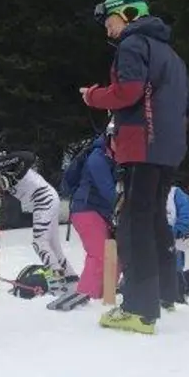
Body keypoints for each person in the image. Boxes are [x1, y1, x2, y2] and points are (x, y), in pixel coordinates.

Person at [81, 0, 189, 334]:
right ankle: (165, 293)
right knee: (155, 216)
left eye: (109, 21)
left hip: (142, 144)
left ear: (128, 14)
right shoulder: (172, 55)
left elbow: (127, 92)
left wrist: (93, 96)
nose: (107, 29)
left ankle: (139, 309)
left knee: (134, 223)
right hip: (169, 148)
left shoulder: (133, 44)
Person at [0, 149, 73, 287]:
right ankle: (71, 277)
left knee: (39, 243)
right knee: (52, 245)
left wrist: (16, 175)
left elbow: (29, 157)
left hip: (43, 198)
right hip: (44, 199)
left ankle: (56, 279)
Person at [62, 128, 119, 303]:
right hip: (86, 210)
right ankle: (85, 297)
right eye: (117, 138)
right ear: (109, 137)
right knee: (99, 254)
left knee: (115, 254)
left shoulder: (115, 157)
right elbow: (108, 191)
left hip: (102, 212)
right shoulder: (97, 158)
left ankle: (106, 295)